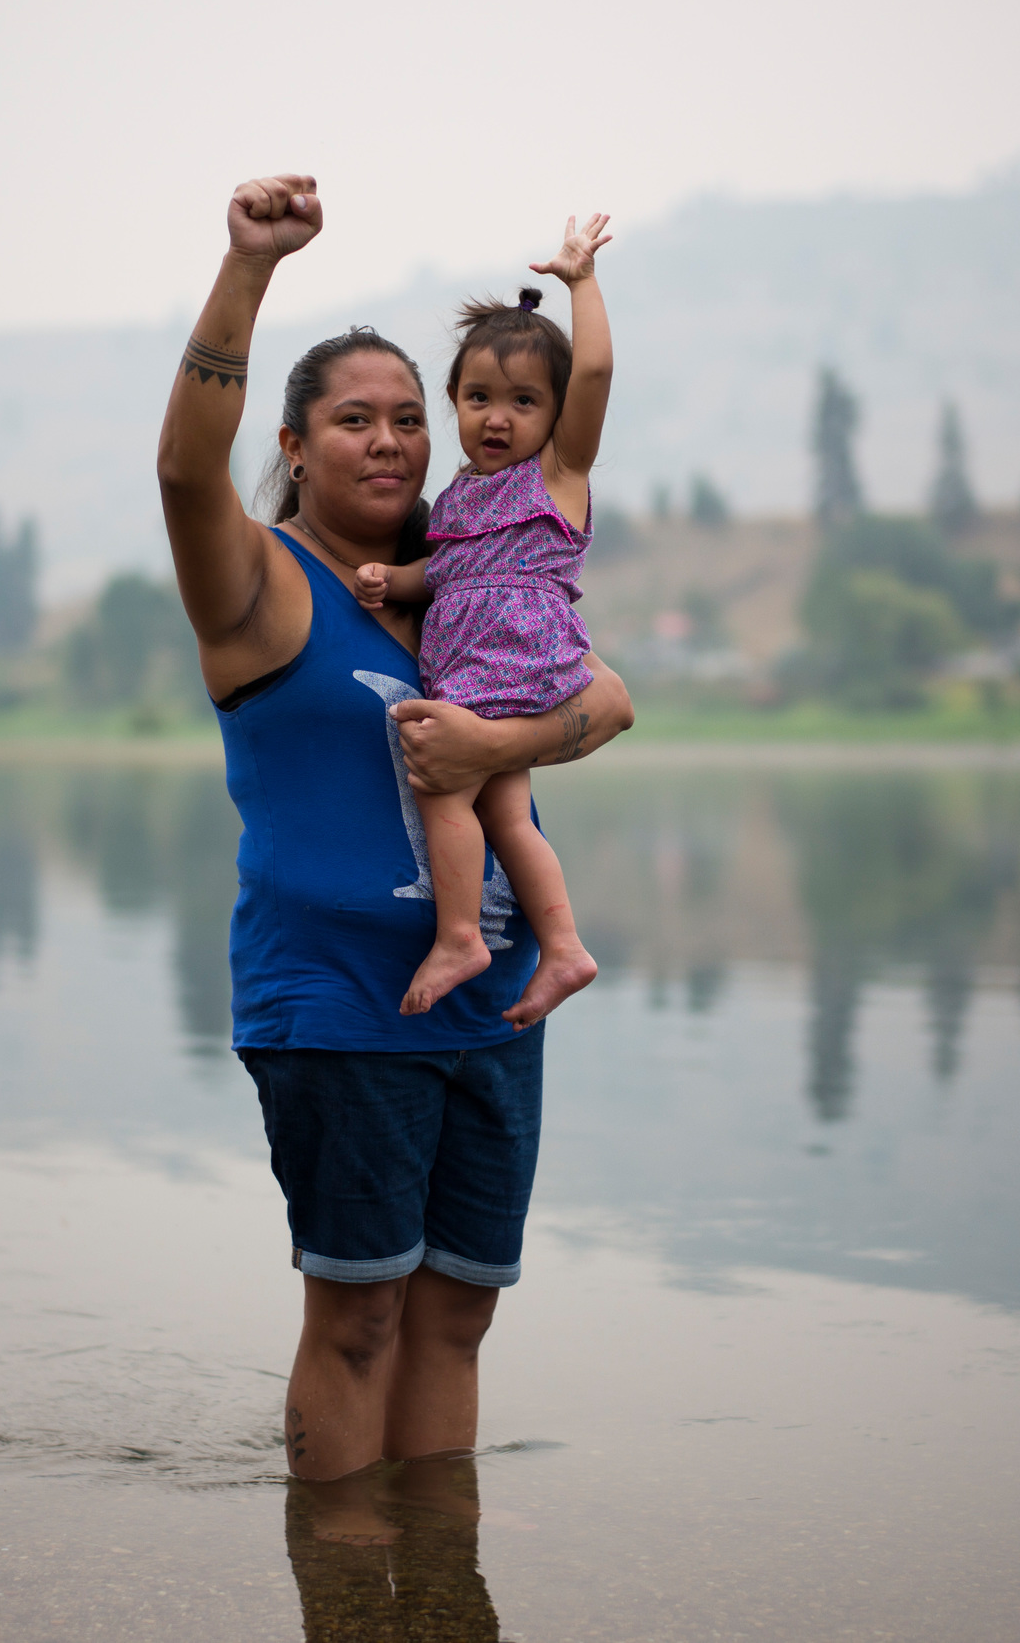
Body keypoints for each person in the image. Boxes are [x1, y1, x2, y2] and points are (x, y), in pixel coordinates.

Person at [153, 174, 635, 1533]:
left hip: (487, 1006)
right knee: (359, 1314)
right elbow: (187, 470)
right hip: (340, 1005)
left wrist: (492, 750)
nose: (391, 440)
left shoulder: (473, 578)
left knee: (458, 1318)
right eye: (353, 419)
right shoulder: (256, 587)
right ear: (297, 444)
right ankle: (350, 1588)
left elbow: (611, 700)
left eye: (408, 419)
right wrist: (249, 268)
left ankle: (438, 1582)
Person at [350, 215, 615, 1025]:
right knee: (502, 812)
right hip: (476, 665)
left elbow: (597, 372)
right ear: (455, 403)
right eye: (478, 399)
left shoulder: (557, 474)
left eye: (524, 402)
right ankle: (563, 947)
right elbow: (453, 574)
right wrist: (397, 581)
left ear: (558, 415)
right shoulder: (462, 496)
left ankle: (461, 935)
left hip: (516, 659)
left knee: (443, 784)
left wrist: (582, 283)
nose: (497, 418)